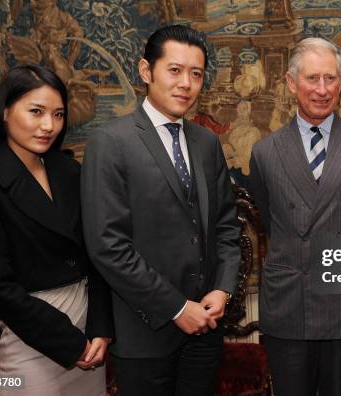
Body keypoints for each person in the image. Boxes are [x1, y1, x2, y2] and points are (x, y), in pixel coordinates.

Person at [81, 25, 241, 396]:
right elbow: (108, 246)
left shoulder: (206, 143)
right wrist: (175, 307)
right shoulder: (111, 143)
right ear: (145, 71)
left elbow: (226, 228)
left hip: (205, 330)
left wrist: (223, 289)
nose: (186, 83)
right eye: (174, 70)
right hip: (145, 333)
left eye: (196, 74)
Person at [0, 65, 113, 395]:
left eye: (58, 114)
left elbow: (96, 255)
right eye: (36, 111)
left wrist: (101, 329)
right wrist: (72, 344)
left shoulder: (69, 170)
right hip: (36, 336)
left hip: (89, 333)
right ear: (5, 112)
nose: (49, 126)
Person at [249, 37, 341, 395]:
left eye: (331, 79)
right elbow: (271, 219)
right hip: (288, 306)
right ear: (292, 83)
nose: (322, 90)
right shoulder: (264, 153)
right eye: (312, 79)